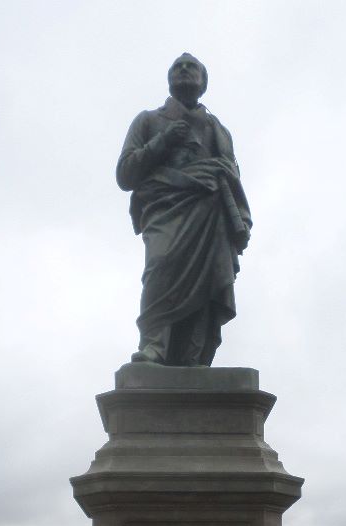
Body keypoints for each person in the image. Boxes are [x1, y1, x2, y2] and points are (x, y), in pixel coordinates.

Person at [116, 54, 251, 366]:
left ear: (204, 83)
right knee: (161, 265)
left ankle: (193, 358)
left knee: (209, 279)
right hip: (165, 206)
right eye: (178, 66)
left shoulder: (218, 129)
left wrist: (238, 212)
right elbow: (125, 174)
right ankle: (154, 346)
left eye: (193, 67)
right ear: (169, 80)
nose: (185, 69)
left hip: (210, 210)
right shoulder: (149, 120)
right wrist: (163, 141)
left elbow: (232, 174)